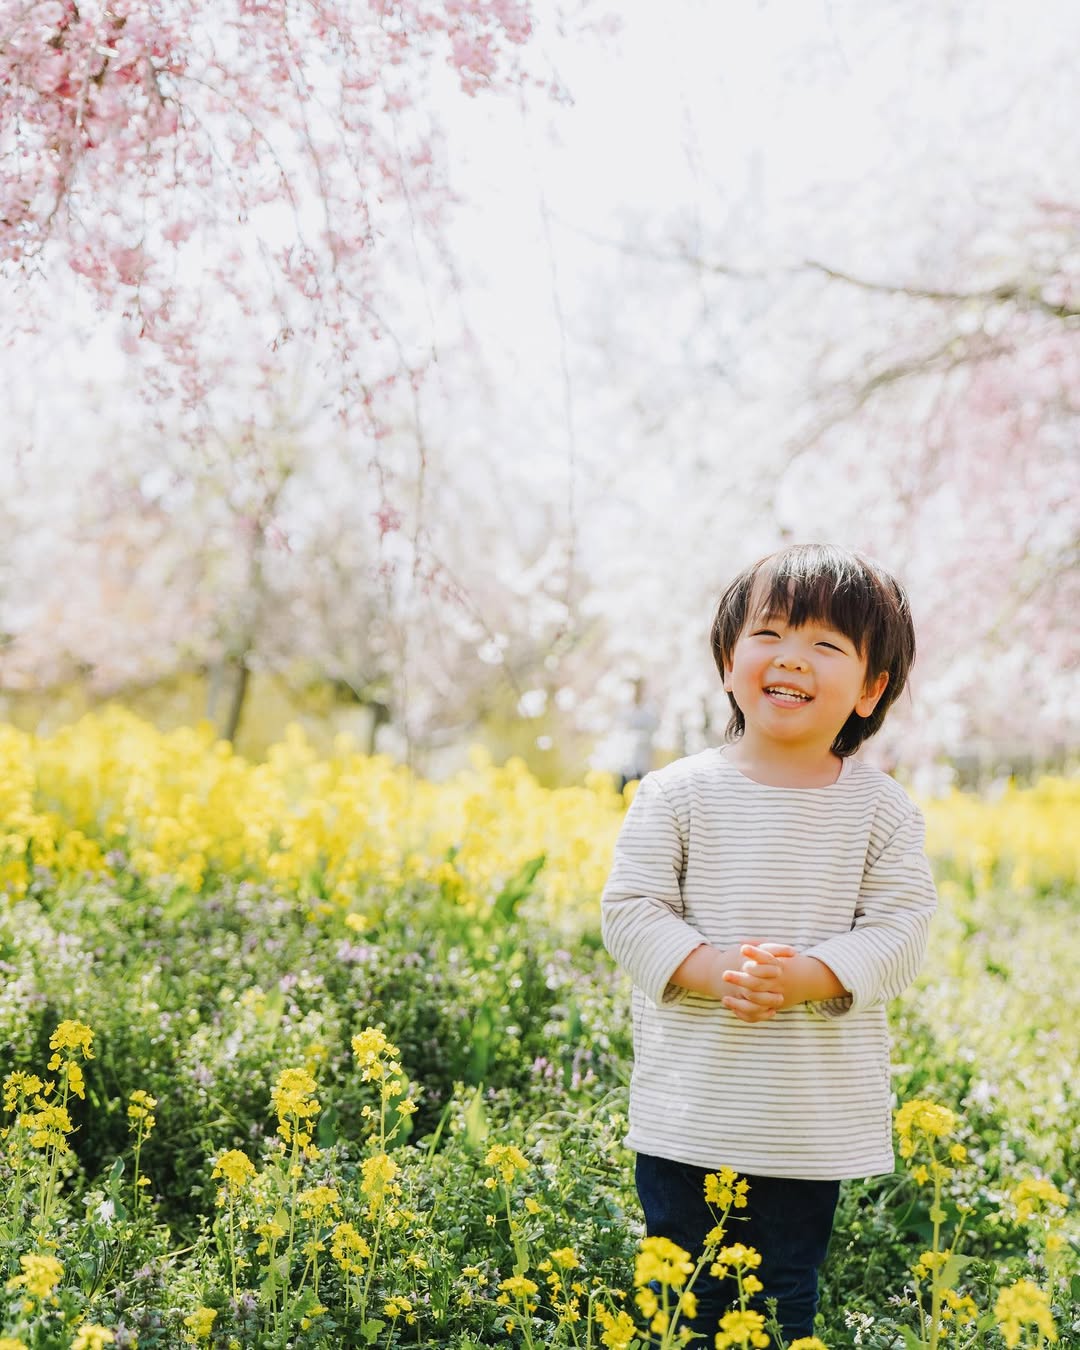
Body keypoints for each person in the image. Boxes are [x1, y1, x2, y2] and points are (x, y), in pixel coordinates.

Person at [601, 542, 937, 1344]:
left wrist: (811, 978)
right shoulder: (674, 792)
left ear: (871, 688)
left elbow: (901, 929)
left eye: (827, 646)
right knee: (683, 1297)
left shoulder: (882, 811)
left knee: (784, 1295)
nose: (793, 659)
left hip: (802, 1122)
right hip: (691, 1109)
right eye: (771, 634)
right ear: (727, 660)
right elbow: (631, 909)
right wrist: (712, 970)